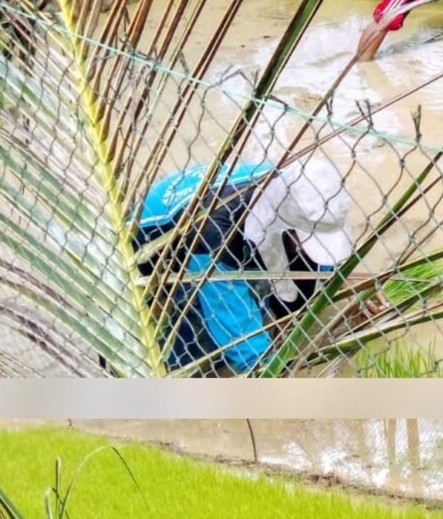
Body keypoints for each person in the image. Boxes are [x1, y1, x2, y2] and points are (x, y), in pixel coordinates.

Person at [134, 158, 357, 373]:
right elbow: (238, 332)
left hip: (224, 214)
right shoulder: (214, 234)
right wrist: (272, 370)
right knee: (199, 346)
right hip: (154, 247)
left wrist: (349, 293)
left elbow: (321, 256)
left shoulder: (294, 185)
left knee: (288, 280)